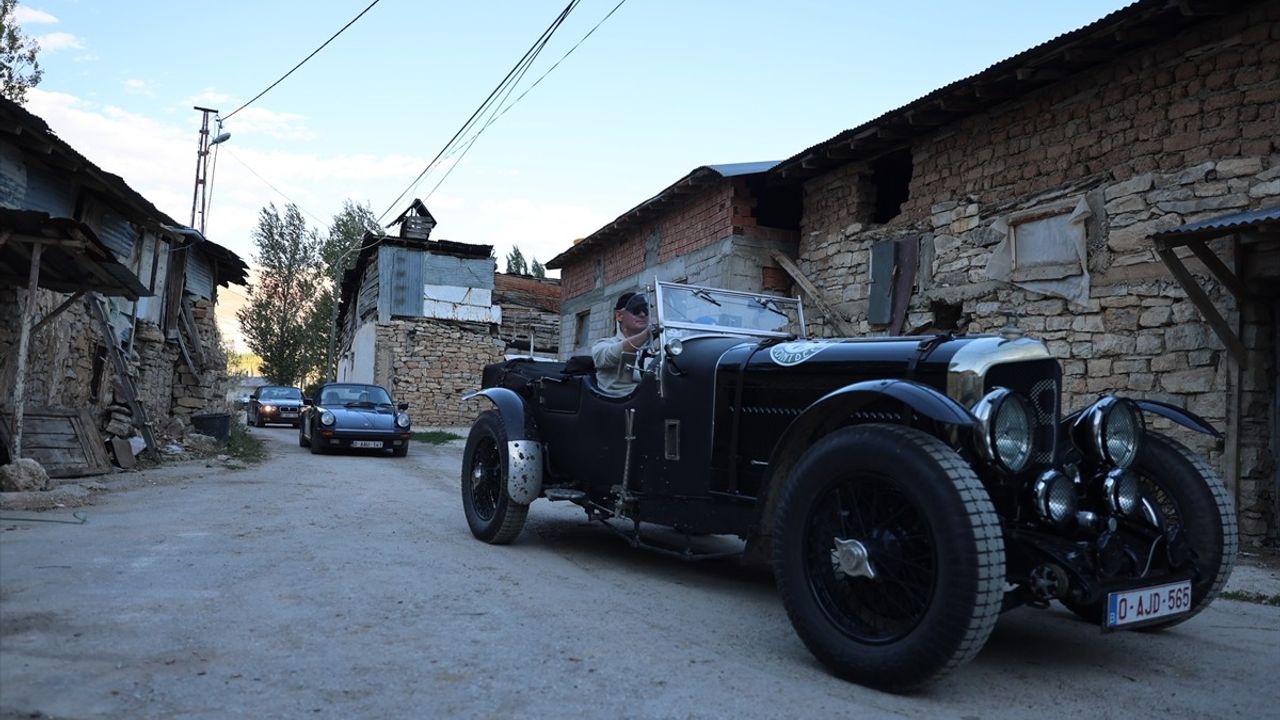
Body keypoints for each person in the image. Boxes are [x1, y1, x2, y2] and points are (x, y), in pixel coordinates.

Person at [592, 291, 657, 397]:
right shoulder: (602, 345)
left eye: (646, 309)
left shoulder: (655, 350)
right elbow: (612, 355)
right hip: (617, 408)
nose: (643, 314)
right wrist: (649, 333)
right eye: (636, 309)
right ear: (619, 316)